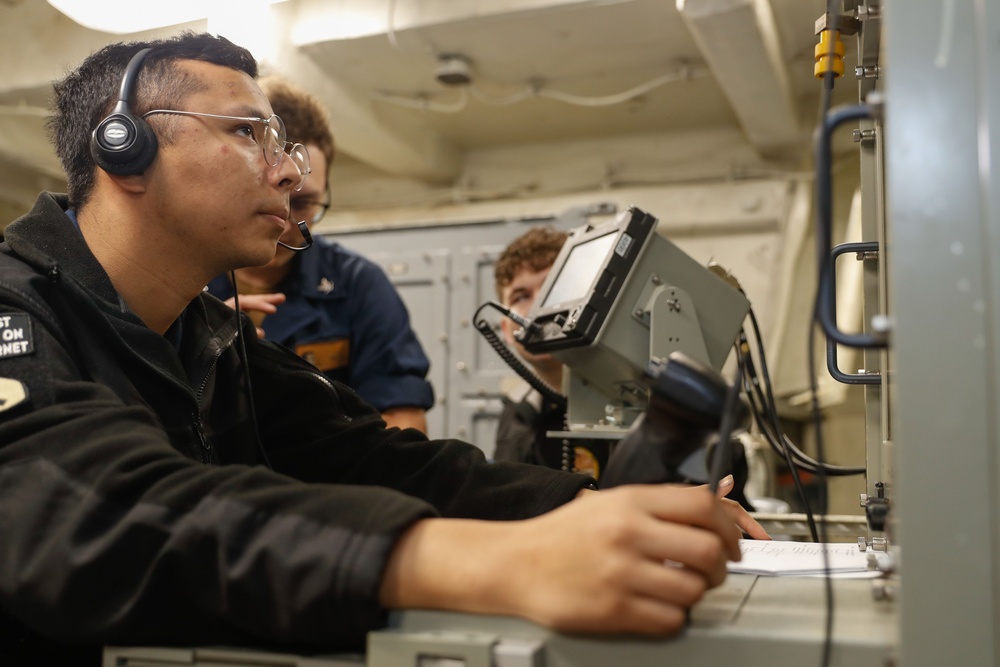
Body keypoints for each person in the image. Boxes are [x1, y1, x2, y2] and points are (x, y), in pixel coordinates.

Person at [0, 32, 766, 666]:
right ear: (123, 148)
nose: (288, 172)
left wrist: (596, 510)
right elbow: (81, 501)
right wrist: (488, 562)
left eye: (283, 143)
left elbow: (376, 459)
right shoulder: (15, 303)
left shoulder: (209, 333)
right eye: (247, 133)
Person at [206, 77, 433, 434]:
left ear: (324, 191)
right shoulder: (185, 282)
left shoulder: (359, 284)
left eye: (303, 202)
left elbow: (403, 420)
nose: (284, 219)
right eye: (267, 194)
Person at [492, 227, 611, 479]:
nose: (538, 307)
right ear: (505, 329)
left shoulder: (642, 400)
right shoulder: (515, 413)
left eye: (554, 288)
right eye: (522, 296)